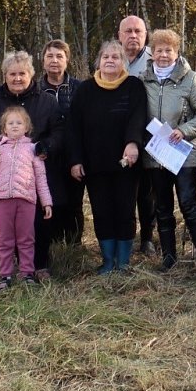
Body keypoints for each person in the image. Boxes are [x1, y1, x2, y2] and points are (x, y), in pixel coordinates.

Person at [67, 41, 148, 274]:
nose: (110, 60)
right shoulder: (85, 90)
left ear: (123, 62)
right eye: (105, 57)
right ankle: (107, 261)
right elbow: (74, 128)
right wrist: (75, 160)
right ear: (99, 61)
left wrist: (132, 143)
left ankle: (123, 262)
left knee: (125, 211)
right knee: (101, 212)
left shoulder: (134, 86)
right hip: (95, 164)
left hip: (126, 162)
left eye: (115, 57)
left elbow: (138, 117)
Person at [140, 29, 196, 272]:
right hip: (155, 155)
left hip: (183, 154)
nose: (163, 55)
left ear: (177, 52)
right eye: (159, 50)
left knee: (188, 204)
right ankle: (169, 258)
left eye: (168, 50)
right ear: (152, 53)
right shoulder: (142, 81)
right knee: (162, 207)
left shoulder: (191, 79)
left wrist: (184, 130)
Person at [0, 51, 63, 277]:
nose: (17, 78)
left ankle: (39, 264)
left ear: (31, 74)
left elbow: (59, 131)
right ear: (5, 76)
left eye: (22, 73)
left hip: (37, 171)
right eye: (12, 74)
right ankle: (10, 268)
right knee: (10, 226)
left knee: (39, 221)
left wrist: (46, 146)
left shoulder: (47, 101)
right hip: (6, 176)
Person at [0, 105, 54, 289]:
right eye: (10, 123)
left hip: (26, 200)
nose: (14, 126)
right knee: (4, 240)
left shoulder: (33, 150)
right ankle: (5, 275)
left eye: (19, 123)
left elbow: (41, 178)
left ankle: (27, 273)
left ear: (26, 127)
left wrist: (46, 202)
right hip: (1, 201)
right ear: (4, 128)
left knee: (26, 239)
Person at [37, 40, 84, 246]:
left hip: (74, 156)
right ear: (43, 61)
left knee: (74, 204)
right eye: (50, 56)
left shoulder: (79, 88)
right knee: (52, 201)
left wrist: (79, 157)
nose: (54, 61)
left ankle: (74, 247)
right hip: (46, 157)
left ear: (67, 60)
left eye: (59, 56)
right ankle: (55, 247)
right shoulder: (36, 89)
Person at [118, 14, 156, 254]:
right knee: (125, 188)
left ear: (145, 35)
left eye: (138, 31)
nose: (133, 35)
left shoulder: (157, 59)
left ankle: (148, 238)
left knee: (148, 190)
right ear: (119, 36)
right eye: (128, 31)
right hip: (119, 135)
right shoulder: (112, 59)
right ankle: (126, 236)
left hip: (151, 135)